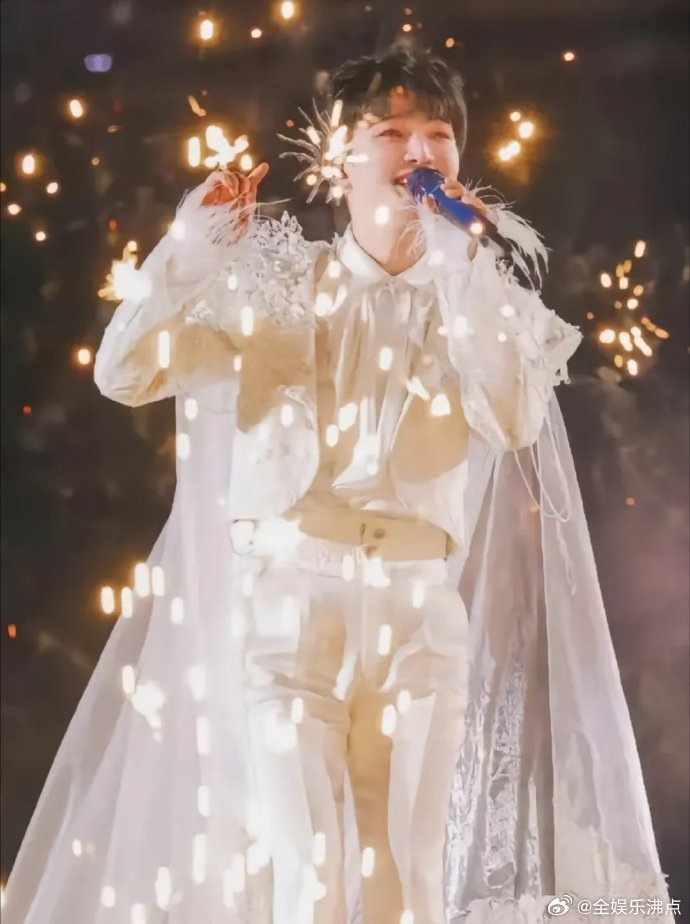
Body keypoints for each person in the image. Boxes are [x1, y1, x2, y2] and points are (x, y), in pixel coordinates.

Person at [3, 48, 675, 924]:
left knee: (409, 877)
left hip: (417, 610)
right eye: (390, 131)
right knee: (308, 877)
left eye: (438, 134)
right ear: (341, 158)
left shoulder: (480, 302)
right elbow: (124, 373)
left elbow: (512, 418)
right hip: (292, 609)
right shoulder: (277, 287)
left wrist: (465, 269)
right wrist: (189, 250)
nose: (419, 150)